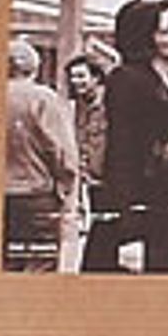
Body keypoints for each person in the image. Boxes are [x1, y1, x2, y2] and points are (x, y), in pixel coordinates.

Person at [102, 0, 168, 273]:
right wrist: (129, 231)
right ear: (146, 39)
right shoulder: (127, 80)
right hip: (142, 207)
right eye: (166, 30)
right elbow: (122, 153)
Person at [3, 40, 79, 272]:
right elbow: (63, 152)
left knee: (5, 265)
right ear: (35, 68)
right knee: (39, 267)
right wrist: (68, 192)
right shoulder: (43, 99)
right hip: (36, 198)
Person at [65, 54, 121, 273]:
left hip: (110, 176)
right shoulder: (80, 106)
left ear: (96, 78)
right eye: (72, 77)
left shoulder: (111, 104)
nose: (75, 82)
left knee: (107, 225)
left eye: (81, 76)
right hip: (92, 177)